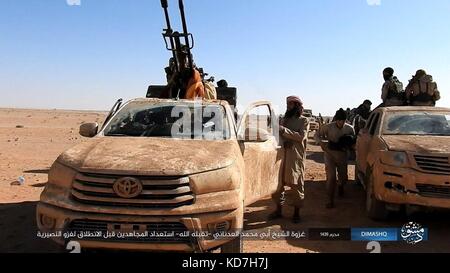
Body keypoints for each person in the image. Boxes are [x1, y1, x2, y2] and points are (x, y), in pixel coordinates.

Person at [268, 96, 310, 223]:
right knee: (277, 185)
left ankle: (296, 213)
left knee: (296, 185)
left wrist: (284, 131)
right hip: (281, 157)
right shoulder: (283, 119)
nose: (288, 107)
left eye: (290, 104)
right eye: (287, 104)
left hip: (294, 157)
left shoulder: (304, 121)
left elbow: (301, 137)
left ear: (296, 105)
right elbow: (277, 136)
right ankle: (278, 210)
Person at [317, 108, 355, 209]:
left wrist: (350, 146)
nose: (341, 122)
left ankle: (341, 186)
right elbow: (317, 135)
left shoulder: (349, 128)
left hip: (342, 155)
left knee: (343, 177)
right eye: (339, 120)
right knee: (331, 177)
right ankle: (330, 200)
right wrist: (321, 142)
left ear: (345, 120)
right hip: (330, 154)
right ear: (336, 119)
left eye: (343, 120)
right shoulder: (328, 127)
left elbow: (353, 142)